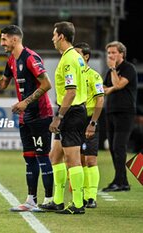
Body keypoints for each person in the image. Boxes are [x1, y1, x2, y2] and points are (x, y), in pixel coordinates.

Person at [0, 25, 54, 212]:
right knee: (29, 157)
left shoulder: (31, 58)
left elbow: (47, 84)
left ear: (15, 39)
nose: (1, 43)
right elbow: (2, 83)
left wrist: (26, 102)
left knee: (42, 156)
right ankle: (31, 200)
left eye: (4, 39)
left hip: (41, 115)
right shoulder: (11, 61)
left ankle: (49, 200)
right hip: (25, 116)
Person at [39, 21, 87, 214]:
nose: (52, 38)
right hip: (72, 110)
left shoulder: (68, 60)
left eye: (53, 34)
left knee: (72, 159)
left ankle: (78, 204)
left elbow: (71, 92)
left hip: (71, 111)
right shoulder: (76, 56)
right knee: (55, 156)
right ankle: (57, 201)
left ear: (61, 36)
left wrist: (59, 117)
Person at [102, 41, 138, 192]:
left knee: (119, 146)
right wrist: (109, 88)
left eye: (113, 52)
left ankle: (121, 182)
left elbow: (118, 85)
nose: (110, 55)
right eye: (109, 53)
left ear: (121, 54)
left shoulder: (128, 68)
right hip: (111, 111)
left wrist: (112, 68)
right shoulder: (110, 72)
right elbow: (103, 88)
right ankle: (121, 180)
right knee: (112, 147)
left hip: (125, 112)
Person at [74, 42, 104, 208]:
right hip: (74, 120)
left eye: (78, 53)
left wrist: (92, 123)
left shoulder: (94, 76)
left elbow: (100, 99)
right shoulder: (73, 75)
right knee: (79, 159)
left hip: (89, 119)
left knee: (91, 159)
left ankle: (91, 197)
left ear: (86, 56)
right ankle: (82, 195)